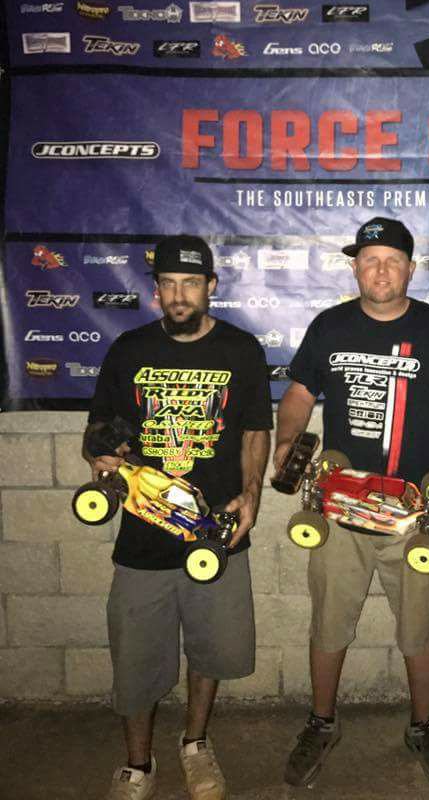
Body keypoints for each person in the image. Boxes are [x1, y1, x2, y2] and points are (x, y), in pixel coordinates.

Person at [274, 216, 429, 791]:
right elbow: (299, 393)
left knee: (419, 631)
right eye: (370, 260)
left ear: (411, 269)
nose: (381, 270)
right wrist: (287, 440)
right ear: (355, 267)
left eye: (392, 260)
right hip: (340, 510)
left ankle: (423, 727)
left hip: (413, 514)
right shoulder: (330, 325)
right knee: (328, 625)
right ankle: (321, 723)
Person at [81, 235, 272, 800]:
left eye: (191, 283)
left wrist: (252, 495)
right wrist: (101, 456)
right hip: (143, 535)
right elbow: (98, 430)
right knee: (135, 657)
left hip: (214, 529)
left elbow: (255, 431)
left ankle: (195, 744)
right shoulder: (129, 349)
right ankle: (137, 763)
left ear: (211, 286)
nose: (179, 294)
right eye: (168, 283)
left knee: (210, 649)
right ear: (156, 290)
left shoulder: (241, 349)